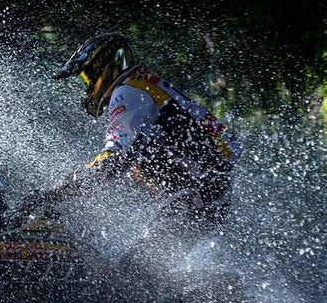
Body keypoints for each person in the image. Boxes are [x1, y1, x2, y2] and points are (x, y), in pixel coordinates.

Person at [29, 32, 239, 275]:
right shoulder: (145, 84)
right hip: (206, 191)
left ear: (103, 68)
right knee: (143, 270)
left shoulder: (127, 92)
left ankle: (206, 293)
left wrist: (58, 192)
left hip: (195, 194)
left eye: (87, 79)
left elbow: (115, 160)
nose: (87, 88)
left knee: (133, 274)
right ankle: (197, 291)